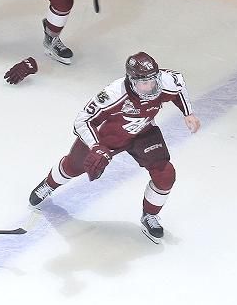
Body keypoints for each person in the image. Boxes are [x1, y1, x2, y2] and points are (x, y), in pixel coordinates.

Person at [28, 51, 200, 243]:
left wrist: (188, 112)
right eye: (144, 83)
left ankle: (149, 215)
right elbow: (82, 120)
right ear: (131, 80)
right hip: (105, 139)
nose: (150, 87)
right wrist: (95, 146)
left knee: (165, 174)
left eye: (153, 80)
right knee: (73, 166)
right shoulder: (113, 94)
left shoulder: (165, 82)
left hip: (142, 132)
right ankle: (49, 184)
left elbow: (179, 87)